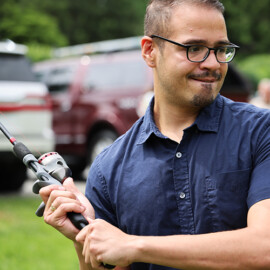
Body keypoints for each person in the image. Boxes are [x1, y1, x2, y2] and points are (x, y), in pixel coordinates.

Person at [39, 0, 270, 269]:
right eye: (194, 48)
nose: (212, 63)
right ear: (150, 51)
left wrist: (133, 245)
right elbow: (107, 262)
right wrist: (84, 235)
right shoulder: (107, 169)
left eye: (221, 49)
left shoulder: (260, 132)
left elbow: (264, 247)